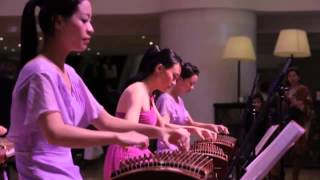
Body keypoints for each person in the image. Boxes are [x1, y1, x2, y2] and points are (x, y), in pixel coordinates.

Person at [8, 1, 189, 179]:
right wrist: (116, 138)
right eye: (85, 20)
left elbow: (105, 120)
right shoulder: (39, 71)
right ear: (58, 22)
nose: (91, 28)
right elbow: (55, 132)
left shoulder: (70, 73)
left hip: (66, 172)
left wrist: (160, 132)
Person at [103, 47, 214, 180]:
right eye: (174, 77)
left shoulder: (149, 94)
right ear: (159, 68)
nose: (173, 83)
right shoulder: (137, 90)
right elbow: (128, 130)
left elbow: (162, 126)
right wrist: (166, 133)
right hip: (126, 156)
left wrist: (194, 130)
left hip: (138, 153)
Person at [156, 62, 229, 151]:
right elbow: (164, 127)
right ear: (180, 79)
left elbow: (191, 123)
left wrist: (212, 126)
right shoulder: (166, 100)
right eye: (191, 83)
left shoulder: (179, 100)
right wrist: (194, 129)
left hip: (180, 150)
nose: (192, 88)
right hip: (168, 152)